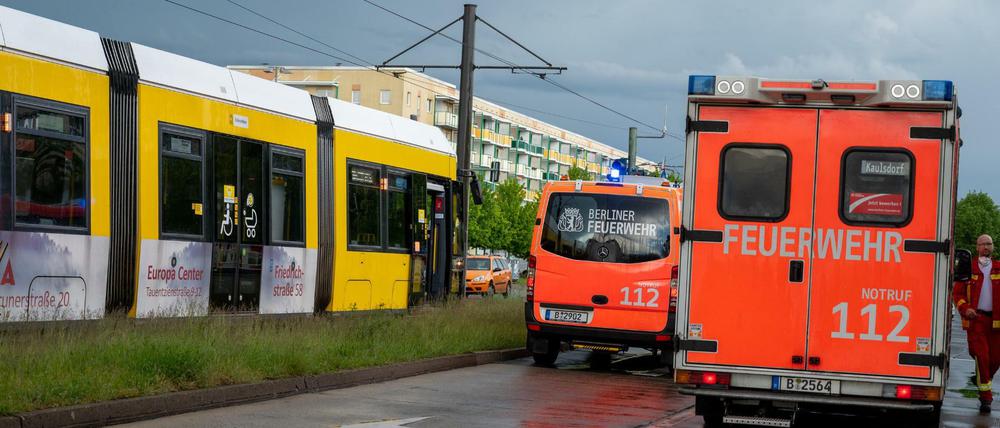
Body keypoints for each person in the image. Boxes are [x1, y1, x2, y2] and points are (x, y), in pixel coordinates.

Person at [954, 234, 1000, 413]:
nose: (986, 247)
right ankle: (986, 398)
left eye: (989, 244)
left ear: (993, 247)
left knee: (995, 359)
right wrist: (965, 309)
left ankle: (983, 378)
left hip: (996, 323)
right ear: (977, 246)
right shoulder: (968, 269)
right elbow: (957, 294)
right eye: (983, 244)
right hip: (976, 320)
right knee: (982, 356)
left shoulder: (998, 268)